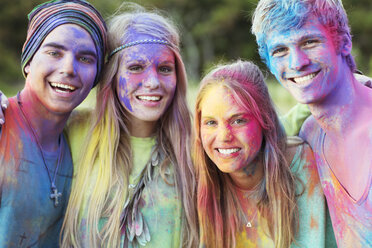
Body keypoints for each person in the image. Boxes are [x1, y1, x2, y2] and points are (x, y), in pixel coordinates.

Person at [61, 4, 198, 248]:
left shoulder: (196, 145)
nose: (153, 82)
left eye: (165, 69)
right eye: (135, 68)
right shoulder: (75, 130)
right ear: (112, 75)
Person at [251, 0, 372, 247]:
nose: (297, 62)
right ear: (269, 64)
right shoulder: (310, 134)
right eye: (280, 50)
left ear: (344, 42)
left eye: (310, 42)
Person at [193, 60, 335, 248]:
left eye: (238, 120)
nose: (224, 136)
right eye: (211, 123)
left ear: (265, 120)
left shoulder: (305, 166)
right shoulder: (197, 181)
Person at [0, 0, 107, 247]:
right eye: (54, 52)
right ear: (28, 61)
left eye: (86, 58)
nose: (69, 68)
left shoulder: (82, 139)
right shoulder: (3, 125)